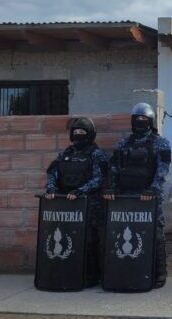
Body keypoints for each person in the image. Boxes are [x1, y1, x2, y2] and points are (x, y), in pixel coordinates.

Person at [104, 103, 171, 289]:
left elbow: (162, 169)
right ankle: (125, 271)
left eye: (144, 119)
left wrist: (153, 189)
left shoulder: (160, 142)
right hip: (124, 198)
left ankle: (159, 273)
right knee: (122, 232)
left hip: (149, 197)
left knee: (155, 234)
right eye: (137, 119)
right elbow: (114, 167)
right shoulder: (124, 143)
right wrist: (111, 188)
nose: (140, 122)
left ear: (150, 121)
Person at [44, 117, 108, 287]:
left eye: (83, 133)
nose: (79, 135)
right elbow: (52, 173)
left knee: (88, 241)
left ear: (90, 135)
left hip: (89, 207)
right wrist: (51, 189)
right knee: (65, 239)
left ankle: (90, 277)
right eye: (76, 132)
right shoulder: (65, 154)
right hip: (66, 207)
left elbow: (99, 178)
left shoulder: (96, 154)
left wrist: (81, 191)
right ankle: (65, 274)